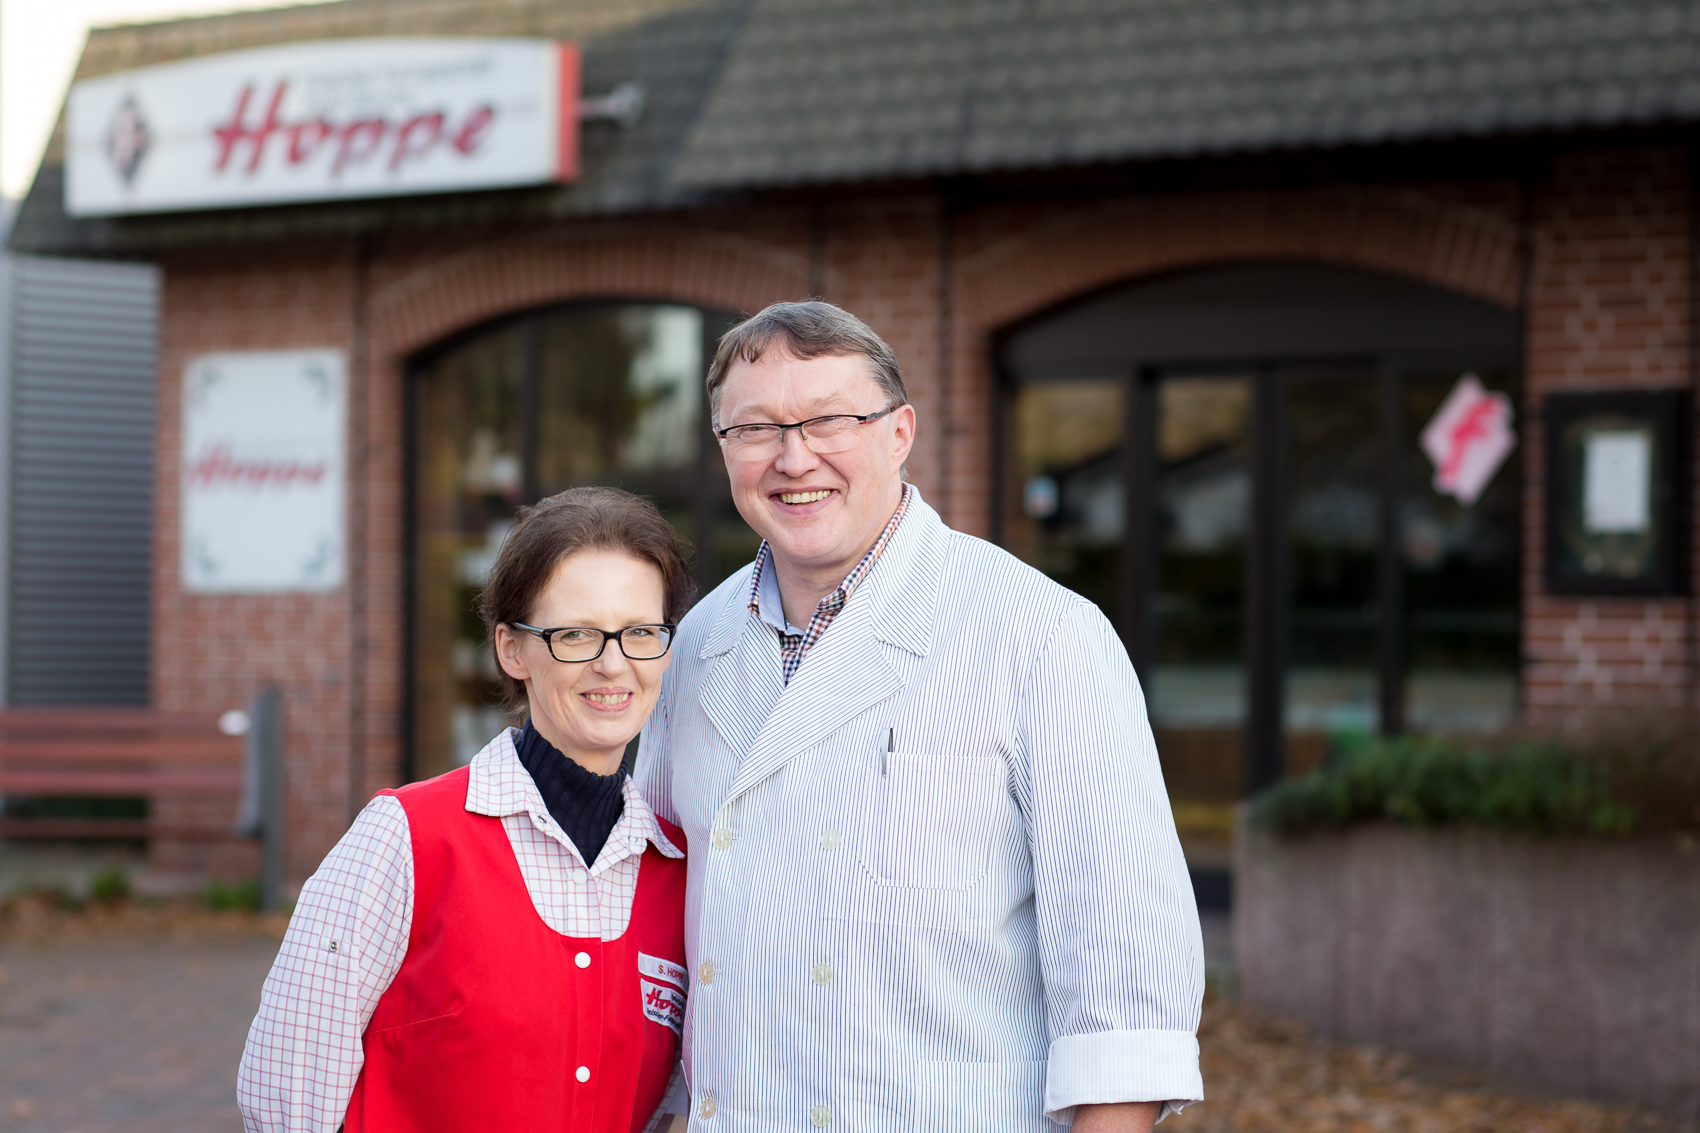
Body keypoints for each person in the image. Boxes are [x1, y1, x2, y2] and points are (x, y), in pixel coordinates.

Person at [635, 301, 1204, 1132]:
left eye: (829, 419)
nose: (794, 458)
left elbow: (1127, 994)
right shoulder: (696, 643)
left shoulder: (1043, 634)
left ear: (900, 432)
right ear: (723, 448)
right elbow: (654, 925)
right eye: (755, 428)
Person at [238, 487, 696, 1133]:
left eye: (640, 632)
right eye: (576, 633)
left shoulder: (676, 870)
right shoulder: (406, 839)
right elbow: (286, 1093)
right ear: (512, 650)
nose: (613, 663)